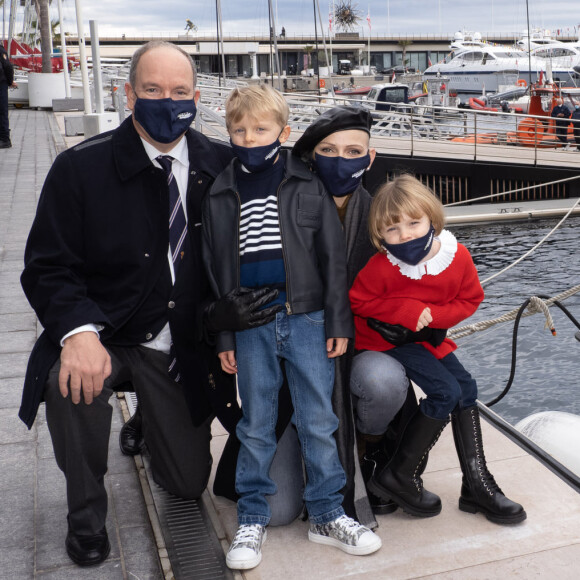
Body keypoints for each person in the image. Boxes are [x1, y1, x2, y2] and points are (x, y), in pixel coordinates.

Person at [19, 40, 256, 568]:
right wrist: (77, 333)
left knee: (188, 481)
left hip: (180, 344)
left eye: (178, 92)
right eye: (152, 90)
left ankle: (150, 423)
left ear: (196, 96)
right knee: (72, 383)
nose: (166, 102)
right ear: (128, 95)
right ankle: (85, 515)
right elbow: (46, 265)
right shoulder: (80, 168)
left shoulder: (221, 165)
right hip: (108, 332)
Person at [202, 85, 381, 571]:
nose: (248, 137)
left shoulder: (307, 184)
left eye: (260, 129)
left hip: (306, 319)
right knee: (256, 422)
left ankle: (327, 512)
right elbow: (217, 269)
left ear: (283, 133)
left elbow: (331, 261)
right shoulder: (220, 191)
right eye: (238, 129)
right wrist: (224, 335)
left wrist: (336, 319)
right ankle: (252, 516)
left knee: (318, 420)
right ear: (228, 132)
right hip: (252, 324)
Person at [349, 175, 527, 525]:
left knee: (467, 389)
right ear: (380, 236)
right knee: (445, 391)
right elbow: (358, 301)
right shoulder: (382, 265)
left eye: (414, 223)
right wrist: (405, 311)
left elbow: (471, 298)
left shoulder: (455, 255)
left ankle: (475, 483)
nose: (406, 235)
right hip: (388, 341)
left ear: (431, 218)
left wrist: (435, 318)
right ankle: (400, 472)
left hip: (428, 338)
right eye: (393, 230)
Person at [292, 106, 411, 519]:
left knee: (382, 382)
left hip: (361, 345)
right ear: (311, 155)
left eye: (353, 150)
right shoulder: (286, 207)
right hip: (295, 351)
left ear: (370, 157)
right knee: (280, 510)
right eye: (328, 149)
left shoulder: (385, 219)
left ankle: (369, 447)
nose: (341, 160)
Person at [0, 41, 16, 149]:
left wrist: (10, 81)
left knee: (2, 111)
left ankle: (5, 139)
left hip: (1, 84)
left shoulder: (0, 50)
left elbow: (8, 66)